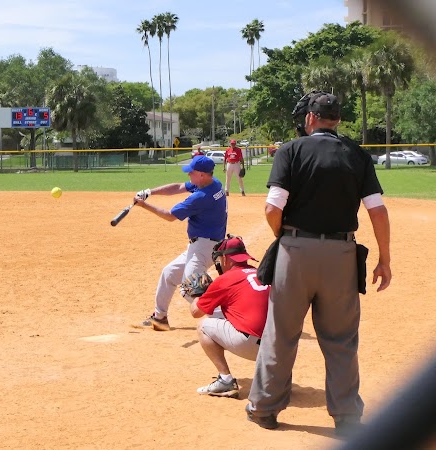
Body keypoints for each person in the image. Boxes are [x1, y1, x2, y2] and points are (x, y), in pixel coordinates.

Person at [245, 92, 392, 436]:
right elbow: (377, 210)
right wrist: (384, 259)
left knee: (281, 334)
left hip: (296, 251)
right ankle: (347, 417)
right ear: (336, 120)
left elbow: (272, 208)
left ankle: (265, 409)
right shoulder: (356, 153)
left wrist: (286, 238)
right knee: (341, 340)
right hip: (341, 254)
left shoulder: (291, 150)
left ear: (310, 118)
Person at [133, 155, 228, 331]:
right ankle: (160, 318)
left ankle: (227, 318)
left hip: (204, 247)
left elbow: (170, 216)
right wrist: (150, 192)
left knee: (190, 287)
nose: (188, 174)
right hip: (203, 245)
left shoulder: (200, 197)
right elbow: (178, 187)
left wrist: (144, 205)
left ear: (201, 175)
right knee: (169, 273)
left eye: (192, 172)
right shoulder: (213, 183)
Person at [189, 236, 269, 399]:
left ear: (225, 258)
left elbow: (196, 312)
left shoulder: (225, 279)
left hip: (253, 347)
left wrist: (197, 294)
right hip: (282, 349)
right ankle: (278, 378)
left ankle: (225, 380)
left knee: (203, 326)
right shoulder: (260, 273)